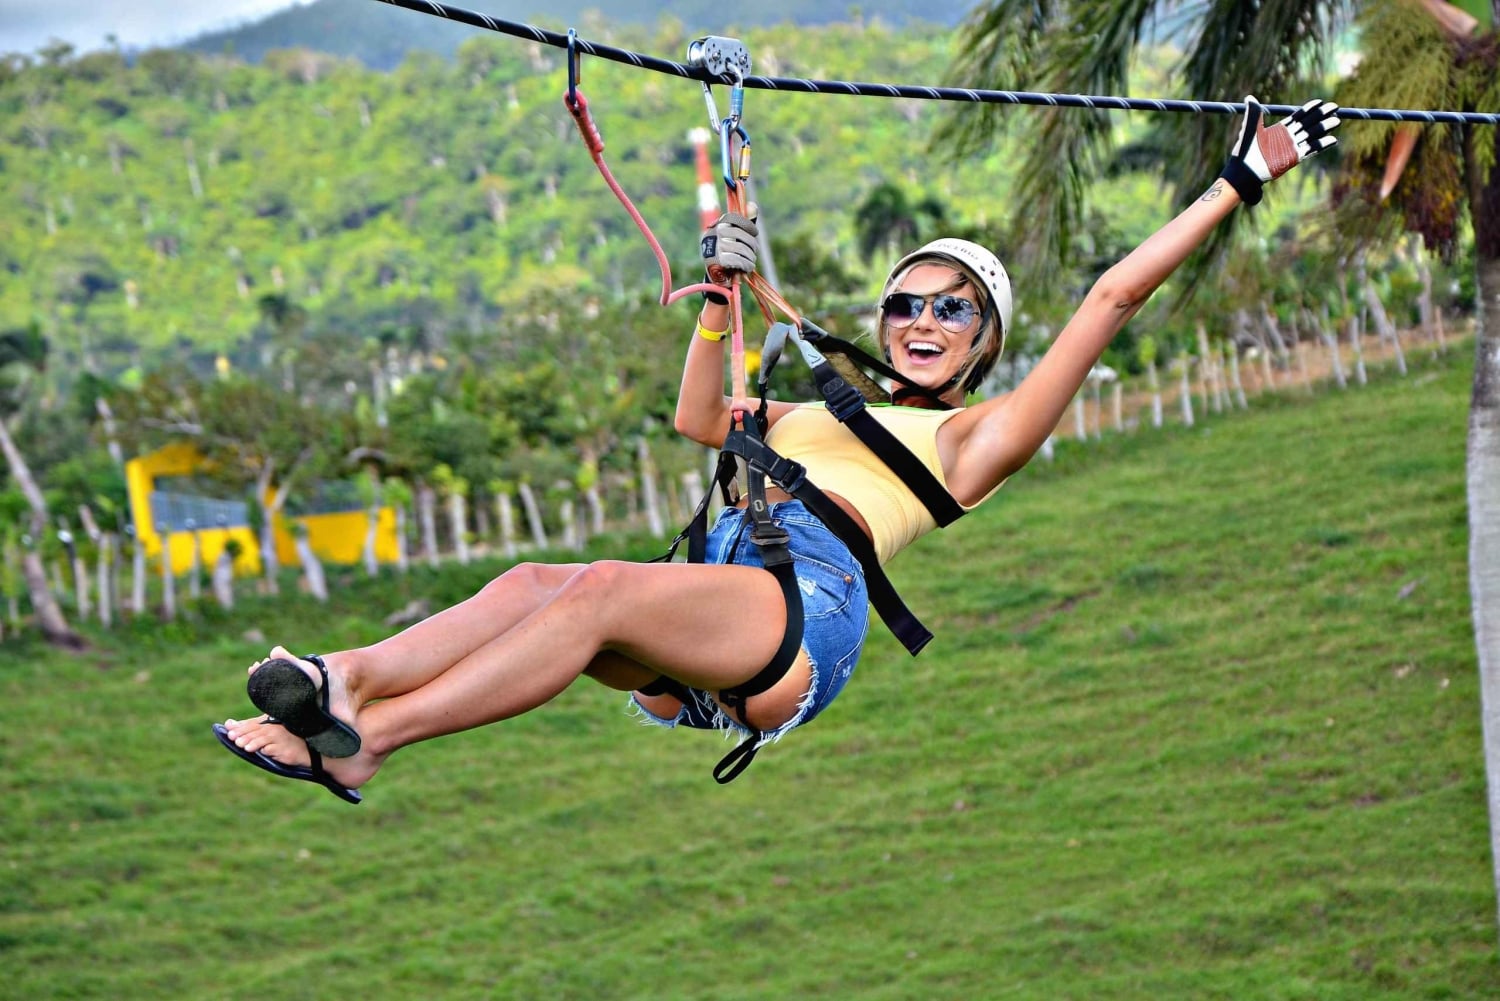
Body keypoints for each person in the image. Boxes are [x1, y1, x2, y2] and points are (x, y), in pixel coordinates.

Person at [216, 97, 1340, 801]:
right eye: (910, 300)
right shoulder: (819, 403)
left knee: (599, 587)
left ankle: (371, 738)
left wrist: (1246, 175)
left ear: (987, 346)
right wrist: (720, 300)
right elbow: (699, 420)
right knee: (533, 580)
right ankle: (340, 682)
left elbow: (1110, 295)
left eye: (955, 313)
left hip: (809, 603)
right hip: (727, 587)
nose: (924, 320)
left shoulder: (972, 437)